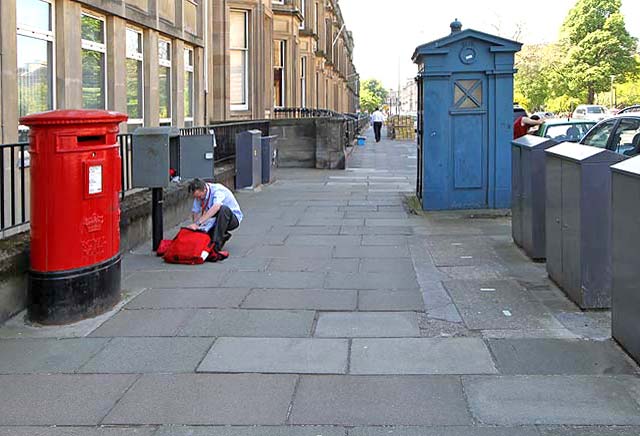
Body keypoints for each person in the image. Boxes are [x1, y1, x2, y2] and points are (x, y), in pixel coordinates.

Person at [187, 178, 243, 261]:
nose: (198, 199)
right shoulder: (199, 195)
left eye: (199, 197)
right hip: (215, 219)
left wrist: (198, 223)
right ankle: (221, 236)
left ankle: (216, 246)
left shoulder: (218, 190)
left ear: (205, 189)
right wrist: (196, 229)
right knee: (206, 236)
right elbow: (195, 212)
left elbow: (216, 207)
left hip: (232, 219)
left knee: (222, 209)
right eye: (196, 197)